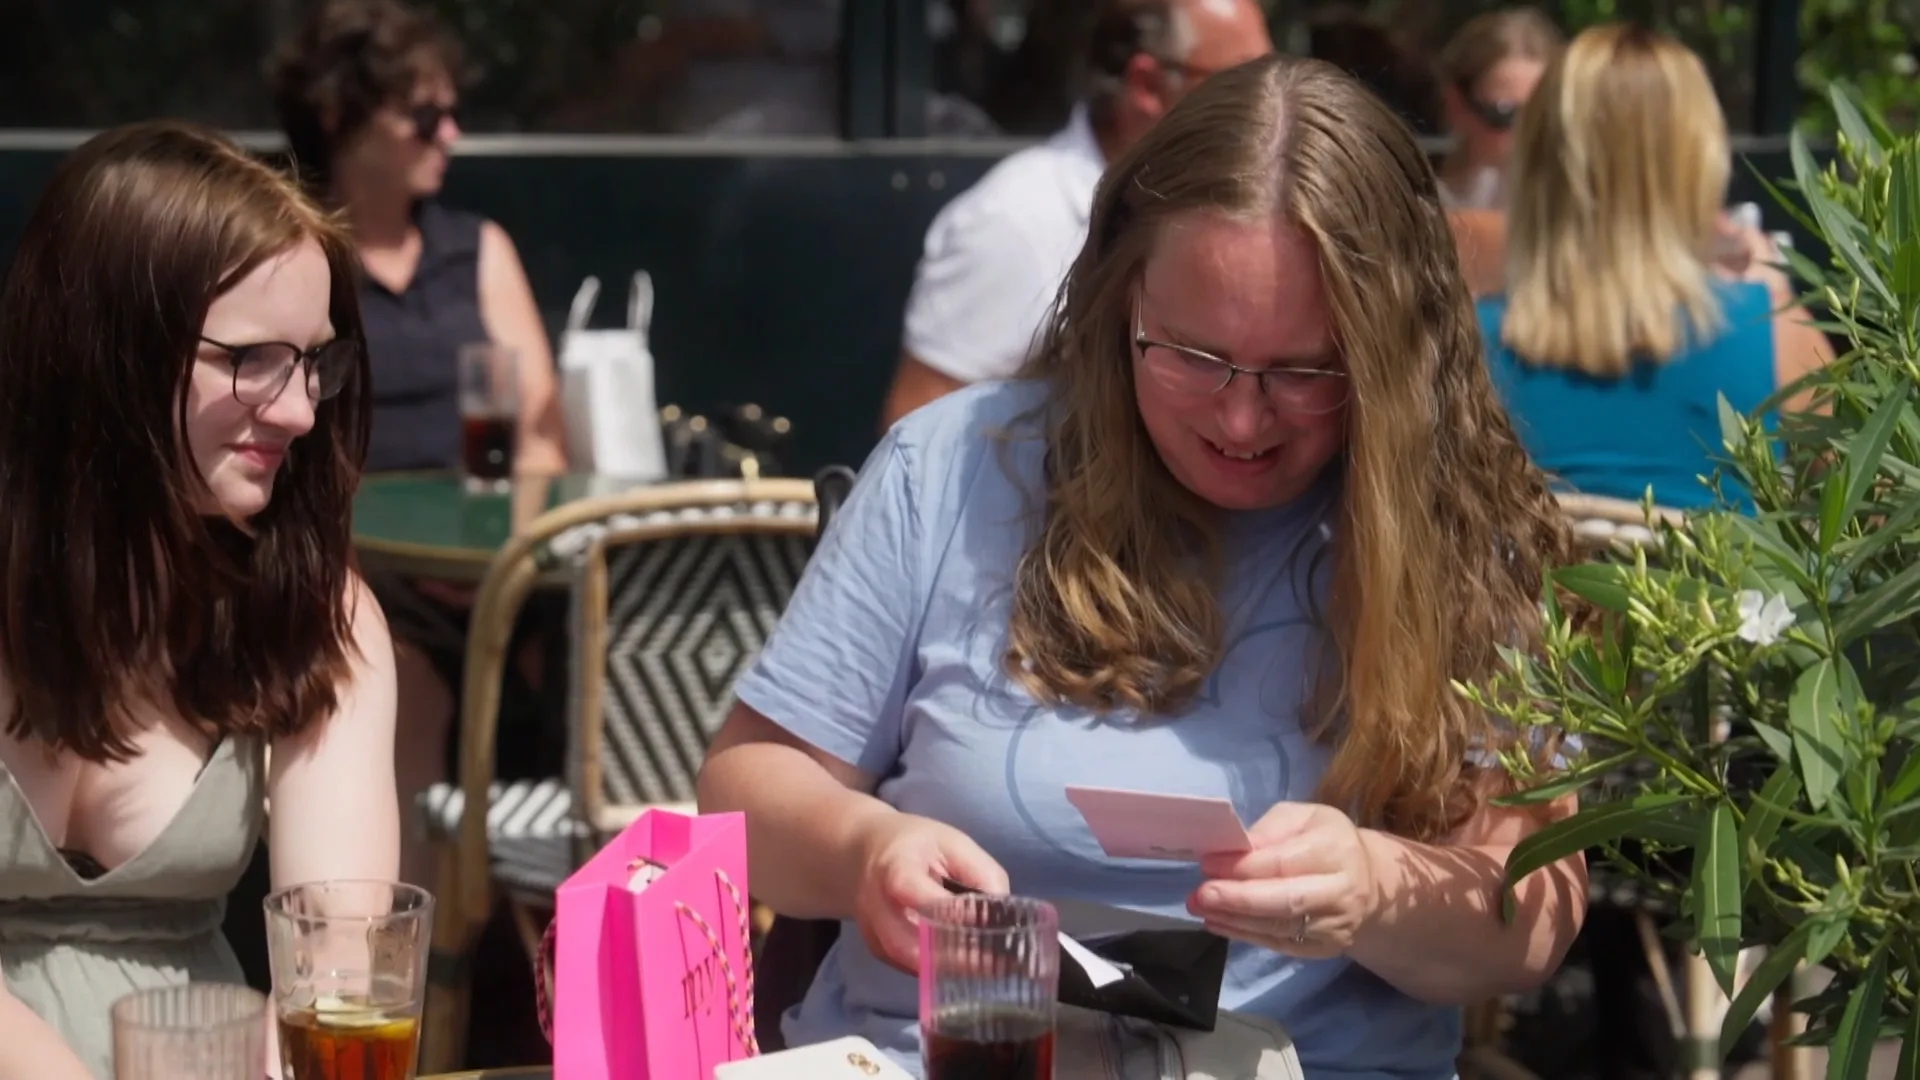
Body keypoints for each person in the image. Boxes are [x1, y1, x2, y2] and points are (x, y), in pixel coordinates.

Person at [701, 53, 1587, 1077]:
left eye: (1306, 371)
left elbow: (1531, 918)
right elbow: (742, 793)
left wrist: (1373, 888)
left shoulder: (1463, 528)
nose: (1243, 417)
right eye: (1194, 356)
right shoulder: (953, 467)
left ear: (1394, 353)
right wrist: (864, 852)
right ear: (1119, 300)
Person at [0, 120, 397, 1080]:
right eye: (253, 358)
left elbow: (335, 957)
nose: (302, 411)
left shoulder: (316, 614)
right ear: (112, 350)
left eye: (315, 361)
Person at [269, 0, 568, 884]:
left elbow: (540, 435)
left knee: (622, 646)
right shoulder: (295, 249)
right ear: (339, 115)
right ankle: (421, 980)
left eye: (452, 110)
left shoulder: (475, 247)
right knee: (398, 681)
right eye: (424, 115)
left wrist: (496, 551)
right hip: (353, 562)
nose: (452, 133)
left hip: (488, 560)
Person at [1480, 23, 1833, 510]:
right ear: (1699, 165)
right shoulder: (1774, 332)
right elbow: (1868, 530)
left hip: (1526, 588)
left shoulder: (1465, 344)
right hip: (1725, 588)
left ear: (1538, 162)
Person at [876, 0, 1272, 428]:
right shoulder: (1015, 220)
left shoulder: (1218, 210)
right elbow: (921, 435)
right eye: (1241, 80)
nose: (1266, 105)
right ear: (1147, 86)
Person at [1433, 7, 1561, 211]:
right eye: (1504, 113)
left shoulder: (1574, 204)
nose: (1525, 132)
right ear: (1455, 103)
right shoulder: (1426, 205)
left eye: (1540, 115)